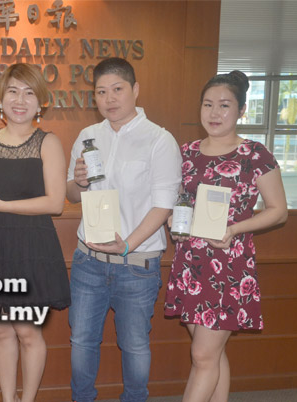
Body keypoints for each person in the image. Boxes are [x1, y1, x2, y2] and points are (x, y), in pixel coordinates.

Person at [164, 71, 287, 402]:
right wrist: (174, 222)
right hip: (190, 263)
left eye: (224, 105)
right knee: (211, 354)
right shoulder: (185, 152)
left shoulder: (254, 155)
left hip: (229, 264)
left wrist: (234, 228)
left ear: (241, 111)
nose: (214, 113)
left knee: (203, 356)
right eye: (207, 105)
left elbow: (278, 210)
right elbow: (175, 200)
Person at [66, 57, 182, 402]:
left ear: (135, 90)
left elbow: (163, 206)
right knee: (81, 341)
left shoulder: (159, 140)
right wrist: (79, 181)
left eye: (117, 89)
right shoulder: (88, 136)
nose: (109, 99)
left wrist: (127, 245)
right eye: (101, 92)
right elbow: (71, 194)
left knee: (134, 345)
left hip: (137, 264)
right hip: (88, 261)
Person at [0, 63, 70, 402]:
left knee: (27, 331)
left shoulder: (48, 142)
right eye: (12, 91)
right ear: (0, 99)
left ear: (40, 103)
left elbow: (55, 203)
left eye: (28, 93)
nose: (19, 100)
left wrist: (1, 205)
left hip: (30, 245)